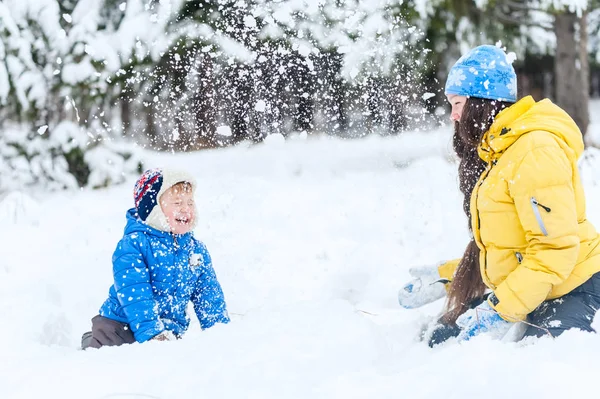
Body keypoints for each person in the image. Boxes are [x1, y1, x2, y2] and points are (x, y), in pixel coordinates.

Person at [398, 44, 600, 346]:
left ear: (482, 102)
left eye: (457, 103)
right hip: (533, 287)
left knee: (536, 359)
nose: (453, 116)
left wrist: (498, 312)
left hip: (574, 286)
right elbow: (505, 247)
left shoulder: (534, 151)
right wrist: (446, 277)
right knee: (442, 340)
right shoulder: (499, 152)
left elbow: (554, 251)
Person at [81, 168, 230, 349]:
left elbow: (209, 295)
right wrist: (152, 332)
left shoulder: (196, 251)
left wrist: (221, 332)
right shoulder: (134, 245)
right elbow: (135, 293)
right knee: (108, 363)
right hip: (120, 327)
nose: (186, 209)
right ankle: (91, 340)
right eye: (177, 202)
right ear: (153, 209)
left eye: (190, 203)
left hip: (167, 332)